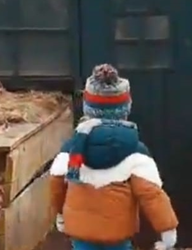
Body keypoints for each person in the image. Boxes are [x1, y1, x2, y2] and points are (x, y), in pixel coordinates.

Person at [49, 64, 178, 250]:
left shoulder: (72, 148)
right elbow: (152, 195)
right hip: (118, 234)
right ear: (125, 109)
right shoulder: (136, 151)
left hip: (80, 231)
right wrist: (167, 230)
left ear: (87, 108)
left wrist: (60, 215)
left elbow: (57, 186)